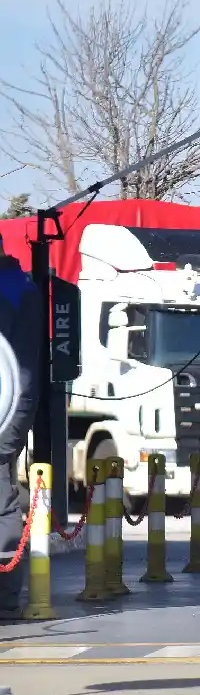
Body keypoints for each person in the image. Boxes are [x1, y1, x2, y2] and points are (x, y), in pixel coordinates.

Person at [0, 235, 41, 618]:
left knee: (1, 504)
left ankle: (5, 595)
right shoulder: (19, 288)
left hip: (2, 418)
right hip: (8, 413)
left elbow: (19, 373)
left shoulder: (13, 292)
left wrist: (10, 426)